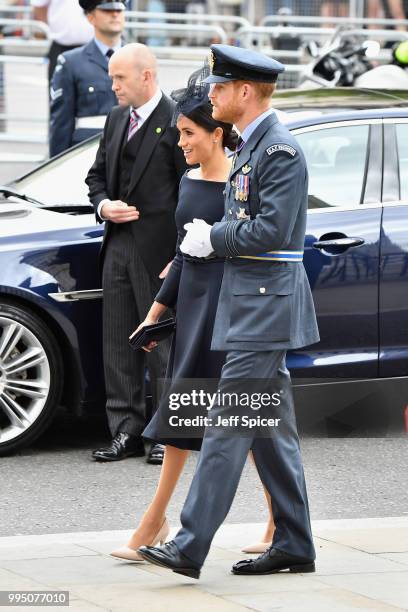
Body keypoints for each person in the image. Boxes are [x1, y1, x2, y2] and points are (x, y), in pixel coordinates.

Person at [138, 43, 320, 579]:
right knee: (270, 430)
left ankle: (189, 544)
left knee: (226, 424)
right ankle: (294, 542)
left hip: (264, 310)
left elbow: (273, 231)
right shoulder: (253, 146)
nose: (211, 94)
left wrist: (211, 238)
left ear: (244, 91)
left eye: (219, 88)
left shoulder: (278, 150)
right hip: (252, 307)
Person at [110, 65, 275, 562]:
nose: (180, 141)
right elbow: (184, 253)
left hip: (233, 311)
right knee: (180, 416)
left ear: (216, 134)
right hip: (195, 308)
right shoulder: (188, 180)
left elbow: (256, 241)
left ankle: (276, 522)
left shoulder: (243, 181)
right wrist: (156, 312)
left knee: (251, 426)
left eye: (187, 133)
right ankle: (153, 521)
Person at [86, 43, 187, 464]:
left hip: (159, 252)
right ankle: (124, 432)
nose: (112, 86)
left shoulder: (177, 120)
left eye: (119, 78)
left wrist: (181, 254)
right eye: (111, 77)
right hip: (117, 247)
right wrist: (103, 205)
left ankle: (166, 434)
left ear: (147, 76)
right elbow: (95, 178)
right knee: (117, 342)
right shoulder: (114, 119)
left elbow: (192, 190)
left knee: (161, 345)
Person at [49, 0, 126, 158]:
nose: (115, 14)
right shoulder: (71, 63)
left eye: (119, 10)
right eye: (106, 10)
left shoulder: (140, 59)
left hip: (130, 156)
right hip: (88, 156)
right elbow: (61, 126)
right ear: (91, 18)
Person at [31, 0, 93, 84]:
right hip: (61, 47)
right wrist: (53, 25)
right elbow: (38, 5)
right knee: (58, 90)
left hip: (92, 48)